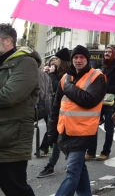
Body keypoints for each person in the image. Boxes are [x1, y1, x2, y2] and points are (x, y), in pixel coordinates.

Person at [47, 45, 107, 196]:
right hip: (65, 131)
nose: (78, 60)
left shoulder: (97, 77)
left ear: (87, 59)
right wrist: (52, 131)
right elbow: (56, 107)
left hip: (82, 133)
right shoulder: (65, 78)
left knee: (72, 173)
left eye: (82, 57)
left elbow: (90, 100)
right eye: (75, 57)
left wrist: (69, 87)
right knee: (80, 171)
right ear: (72, 59)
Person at [0, 24, 39, 196]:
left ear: (7, 40)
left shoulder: (26, 63)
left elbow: (9, 96)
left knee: (15, 189)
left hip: (11, 140)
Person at [86, 46, 115, 161]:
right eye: (105, 52)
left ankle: (105, 152)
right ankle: (91, 152)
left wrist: (106, 87)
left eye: (109, 52)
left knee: (109, 127)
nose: (107, 53)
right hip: (99, 101)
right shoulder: (103, 68)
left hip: (111, 101)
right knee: (93, 125)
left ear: (113, 54)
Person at [38, 53, 71, 178]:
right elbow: (46, 88)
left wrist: (51, 75)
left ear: (62, 61)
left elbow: (59, 88)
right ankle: (52, 165)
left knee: (64, 140)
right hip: (54, 109)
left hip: (66, 111)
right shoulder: (54, 72)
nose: (53, 62)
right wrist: (45, 75)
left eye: (56, 59)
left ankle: (70, 164)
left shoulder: (68, 73)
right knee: (57, 138)